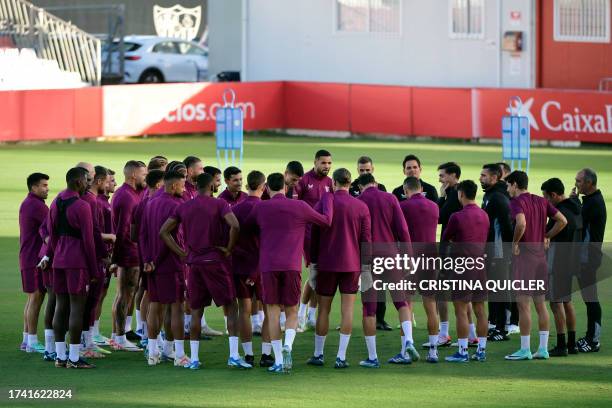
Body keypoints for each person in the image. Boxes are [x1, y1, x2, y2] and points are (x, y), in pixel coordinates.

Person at [161, 172, 250, 369]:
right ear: (210, 186)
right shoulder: (219, 204)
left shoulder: (184, 206)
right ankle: (234, 356)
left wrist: (182, 253)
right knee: (231, 307)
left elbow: (164, 232)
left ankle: (193, 359)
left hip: (194, 264)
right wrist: (228, 248)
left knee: (195, 312)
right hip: (215, 262)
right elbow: (235, 225)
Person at [247, 172, 334, 373]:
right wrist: (328, 197)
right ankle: (288, 345)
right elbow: (326, 221)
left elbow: (247, 228)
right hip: (292, 266)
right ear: (286, 188)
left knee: (273, 313)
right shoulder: (300, 206)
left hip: (268, 266)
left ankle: (278, 360)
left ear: (267, 188)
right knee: (292, 311)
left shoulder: (261, 207)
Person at [307, 168, 371, 368]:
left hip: (327, 264)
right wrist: (365, 268)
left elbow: (313, 235)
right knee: (348, 310)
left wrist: (314, 262)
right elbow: (366, 241)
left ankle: (318, 354)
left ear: (333, 183)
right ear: (350, 183)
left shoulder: (325, 202)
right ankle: (341, 357)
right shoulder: (361, 207)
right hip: (351, 266)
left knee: (323, 310)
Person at [505, 171, 567, 361]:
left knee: (523, 306)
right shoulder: (541, 200)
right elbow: (563, 221)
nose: (507, 189)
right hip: (541, 259)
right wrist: (547, 236)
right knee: (541, 306)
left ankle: (524, 349)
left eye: (508, 185)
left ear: (515, 184)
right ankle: (543, 349)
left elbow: (521, 223)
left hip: (525, 259)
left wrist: (515, 242)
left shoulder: (516, 202)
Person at [356, 173, 416, 368]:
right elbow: (404, 230)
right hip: (391, 256)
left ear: (360, 186)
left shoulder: (359, 200)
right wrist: (408, 257)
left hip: (368, 259)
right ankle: (408, 341)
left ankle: (372, 357)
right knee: (402, 302)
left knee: (369, 309)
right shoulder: (390, 198)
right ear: (375, 183)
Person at [45, 167, 99, 368]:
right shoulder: (82, 206)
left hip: (58, 260)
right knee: (77, 308)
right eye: (86, 180)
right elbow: (88, 241)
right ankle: (75, 358)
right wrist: (94, 270)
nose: (88, 184)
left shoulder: (56, 202)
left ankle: (60, 356)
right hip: (77, 263)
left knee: (61, 306)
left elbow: (52, 235)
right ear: (78, 182)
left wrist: (53, 256)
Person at [140, 170, 189, 367]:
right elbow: (168, 237)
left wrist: (147, 260)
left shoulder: (150, 203)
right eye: (183, 184)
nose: (185, 188)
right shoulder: (176, 205)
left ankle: (153, 353)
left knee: (155, 306)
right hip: (170, 264)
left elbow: (142, 235)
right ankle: (179, 355)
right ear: (174, 185)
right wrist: (182, 255)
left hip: (151, 264)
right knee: (177, 308)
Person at [441, 180, 490, 363]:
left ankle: (462, 352)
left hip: (463, 267)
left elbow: (445, 240)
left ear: (461, 194)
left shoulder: (456, 216)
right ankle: (481, 351)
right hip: (480, 266)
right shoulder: (484, 215)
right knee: (480, 310)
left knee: (461, 310)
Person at [400, 176, 440, 362]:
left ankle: (405, 351)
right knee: (431, 305)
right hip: (431, 258)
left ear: (406, 190)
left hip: (410, 259)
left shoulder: (403, 206)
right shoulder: (434, 206)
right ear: (421, 188)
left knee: (406, 304)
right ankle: (433, 351)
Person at [348, 156, 390, 331]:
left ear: (373, 169)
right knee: (352, 282)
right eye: (361, 170)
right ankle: (349, 319)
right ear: (357, 170)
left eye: (367, 169)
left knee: (379, 284)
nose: (364, 172)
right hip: (355, 243)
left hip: (376, 243)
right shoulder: (351, 188)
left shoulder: (381, 188)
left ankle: (379, 319)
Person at [541, 178, 582, 356]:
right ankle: (571, 344)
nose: (547, 202)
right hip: (572, 261)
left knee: (556, 304)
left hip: (558, 262)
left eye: (547, 197)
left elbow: (554, 228)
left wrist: (547, 236)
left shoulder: (560, 212)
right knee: (567, 302)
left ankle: (561, 345)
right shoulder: (575, 206)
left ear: (555, 195)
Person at [232, 171, 268, 367]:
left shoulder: (236, 209)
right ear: (263, 187)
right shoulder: (265, 209)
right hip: (261, 267)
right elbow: (267, 242)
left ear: (247, 186)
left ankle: (248, 355)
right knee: (269, 311)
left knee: (244, 311)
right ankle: (266, 354)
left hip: (240, 266)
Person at [110, 160, 147, 351]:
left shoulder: (134, 193)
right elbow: (122, 231)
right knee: (125, 294)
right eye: (143, 174)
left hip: (133, 252)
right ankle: (119, 337)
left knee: (126, 295)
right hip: (128, 253)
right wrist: (117, 259)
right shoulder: (125, 196)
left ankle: (118, 335)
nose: (146, 177)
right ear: (133, 175)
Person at [297, 150, 334, 331]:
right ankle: (301, 315)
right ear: (315, 162)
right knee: (314, 274)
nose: (326, 166)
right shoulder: (304, 181)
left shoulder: (330, 183)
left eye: (329, 163)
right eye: (323, 163)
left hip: (325, 236)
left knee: (319, 276)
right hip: (308, 235)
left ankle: (311, 316)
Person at [130, 169, 165, 346]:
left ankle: (146, 332)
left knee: (148, 292)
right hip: (159, 257)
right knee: (155, 297)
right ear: (159, 185)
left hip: (145, 255)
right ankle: (152, 336)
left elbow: (134, 235)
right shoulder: (159, 203)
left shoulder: (140, 205)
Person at [574, 168, 607, 352]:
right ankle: (590, 336)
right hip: (586, 257)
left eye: (579, 181)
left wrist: (572, 202)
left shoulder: (593, 203)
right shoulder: (590, 200)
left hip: (588, 258)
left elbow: (578, 222)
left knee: (591, 299)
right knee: (589, 298)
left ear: (589, 183)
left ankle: (593, 340)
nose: (576, 184)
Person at [480, 164, 513, 341]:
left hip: (499, 251)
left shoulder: (499, 198)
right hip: (492, 250)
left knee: (499, 289)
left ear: (495, 177)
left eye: (484, 176)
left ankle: (502, 328)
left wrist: (506, 250)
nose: (481, 178)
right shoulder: (490, 195)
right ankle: (495, 325)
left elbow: (507, 226)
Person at [19, 173, 50, 355]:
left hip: (27, 256)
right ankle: (32, 341)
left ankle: (26, 339)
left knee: (32, 298)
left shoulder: (28, 203)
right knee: (36, 298)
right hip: (34, 259)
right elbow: (50, 232)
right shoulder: (38, 206)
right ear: (33, 187)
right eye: (43, 185)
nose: (47, 188)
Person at [436, 162, 462, 346]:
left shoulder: (453, 195)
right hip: (458, 249)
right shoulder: (458, 193)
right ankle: (471, 334)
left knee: (442, 291)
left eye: (443, 176)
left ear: (453, 175)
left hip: (451, 250)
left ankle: (444, 333)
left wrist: (440, 196)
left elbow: (438, 216)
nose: (440, 179)